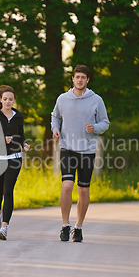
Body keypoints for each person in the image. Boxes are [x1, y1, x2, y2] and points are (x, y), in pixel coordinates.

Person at [51, 65, 110, 242]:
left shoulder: (96, 100)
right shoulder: (63, 98)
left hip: (87, 150)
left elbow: (105, 122)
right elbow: (55, 116)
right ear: (72, 79)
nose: (79, 80)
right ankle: (64, 225)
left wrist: (95, 127)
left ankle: (78, 227)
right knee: (67, 186)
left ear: (87, 80)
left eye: (83, 77)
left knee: (83, 189)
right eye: (77, 77)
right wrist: (55, 129)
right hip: (68, 148)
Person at [0, 85, 30, 240]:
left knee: (8, 191)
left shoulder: (19, 116)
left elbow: (21, 135)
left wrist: (24, 144)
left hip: (14, 158)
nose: (8, 102)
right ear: (1, 100)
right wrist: (2, 140)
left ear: (14, 100)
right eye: (5, 99)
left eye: (11, 99)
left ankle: (4, 227)